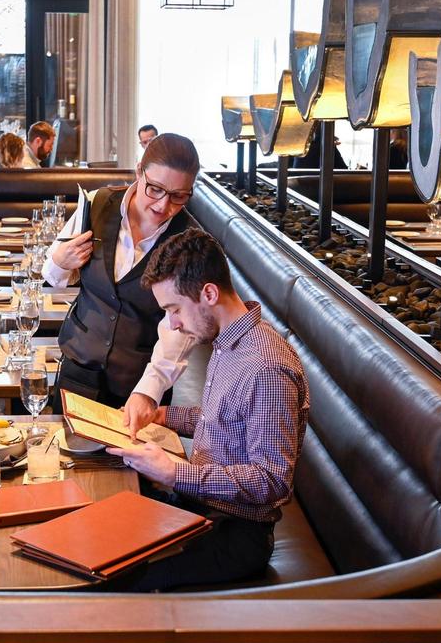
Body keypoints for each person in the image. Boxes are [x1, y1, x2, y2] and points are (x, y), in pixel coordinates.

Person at [107, 229, 308, 591]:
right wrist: (161, 416)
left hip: (236, 533)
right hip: (200, 505)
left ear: (209, 294)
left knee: (116, 577)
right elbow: (225, 420)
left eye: (174, 309)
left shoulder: (266, 369)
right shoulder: (229, 339)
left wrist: (175, 473)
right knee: (102, 524)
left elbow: (271, 480)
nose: (172, 323)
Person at [43, 133, 200, 427]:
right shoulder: (98, 203)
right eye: (155, 189)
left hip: (137, 388)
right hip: (78, 373)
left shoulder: (188, 242)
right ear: (139, 171)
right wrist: (59, 260)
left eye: (178, 196)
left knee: (128, 473)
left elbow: (179, 331)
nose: (163, 206)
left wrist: (149, 391)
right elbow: (53, 276)